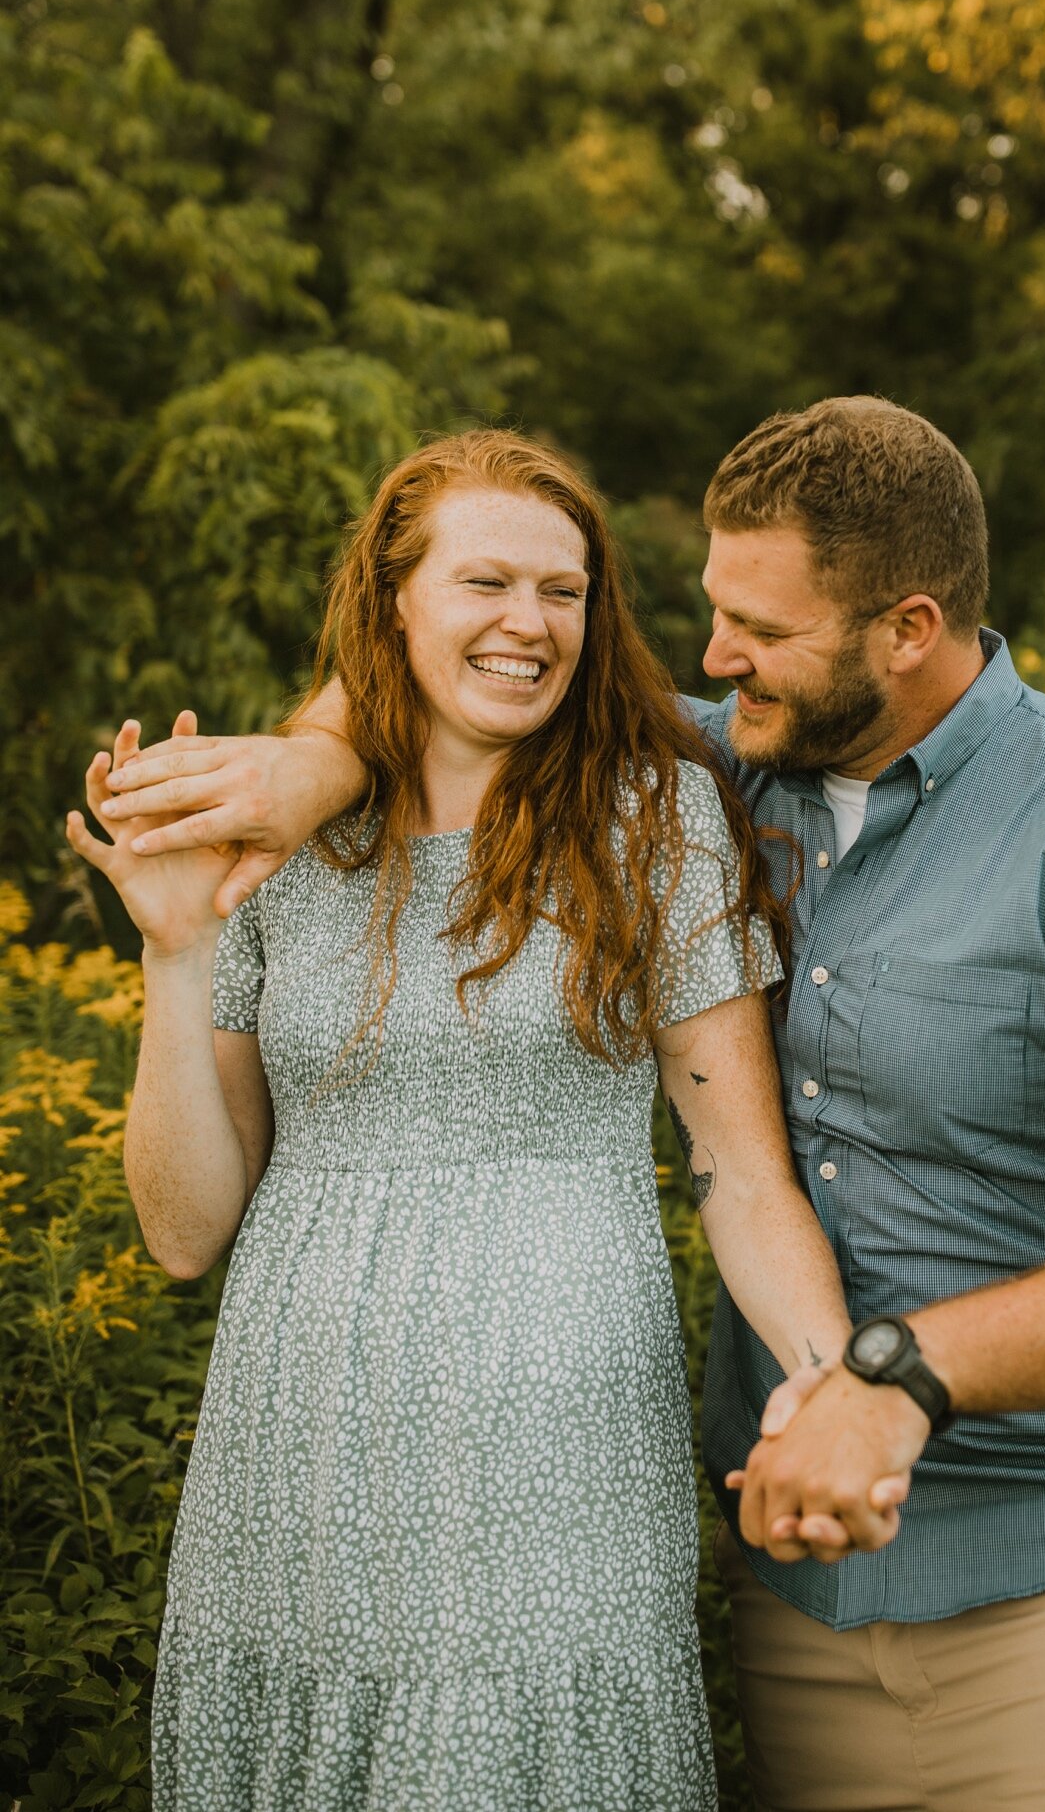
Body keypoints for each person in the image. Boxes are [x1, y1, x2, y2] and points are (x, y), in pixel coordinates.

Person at [101, 398, 1045, 1812]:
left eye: (756, 630)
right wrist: (299, 774)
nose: (713, 663)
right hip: (770, 1566)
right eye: (706, 617)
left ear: (905, 630)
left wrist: (879, 1381)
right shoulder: (724, 754)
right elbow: (440, 677)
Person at [68, 428, 856, 1812]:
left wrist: (836, 1382)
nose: (528, 624)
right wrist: (178, 955)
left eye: (564, 591)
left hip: (558, 1462)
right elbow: (186, 1232)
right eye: (485, 582)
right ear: (394, 602)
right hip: (299, 1465)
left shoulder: (652, 816)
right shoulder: (286, 842)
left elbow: (740, 1173)